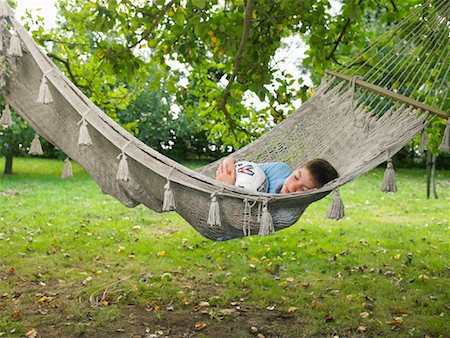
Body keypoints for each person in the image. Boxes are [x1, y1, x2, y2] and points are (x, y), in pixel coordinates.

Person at [216, 157, 338, 193]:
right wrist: (229, 162)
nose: (292, 187)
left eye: (303, 189)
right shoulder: (280, 170)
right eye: (296, 177)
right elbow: (242, 166)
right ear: (296, 169)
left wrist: (228, 188)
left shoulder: (287, 213)